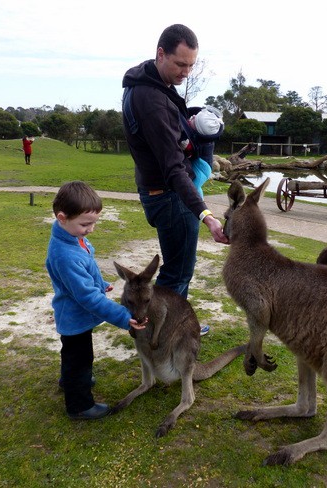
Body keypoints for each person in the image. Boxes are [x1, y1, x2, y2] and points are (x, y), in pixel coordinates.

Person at [122, 24, 228, 336]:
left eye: (191, 65)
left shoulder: (149, 83)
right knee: (178, 271)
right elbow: (173, 169)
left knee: (176, 268)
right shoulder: (151, 99)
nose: (186, 73)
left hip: (160, 193)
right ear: (160, 54)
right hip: (170, 196)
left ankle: (167, 326)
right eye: (180, 64)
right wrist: (206, 215)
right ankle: (159, 332)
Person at [46, 180, 147, 420]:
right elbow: (87, 298)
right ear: (62, 217)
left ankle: (69, 379)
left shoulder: (72, 237)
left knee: (74, 355)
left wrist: (100, 284)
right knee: (80, 357)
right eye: (85, 224)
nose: (90, 229)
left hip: (77, 316)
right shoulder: (65, 254)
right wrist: (124, 316)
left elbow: (85, 273)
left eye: (94, 223)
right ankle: (79, 405)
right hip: (74, 317)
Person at [181, 106, 224, 197]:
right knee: (196, 187)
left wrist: (184, 147)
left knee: (193, 188)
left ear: (197, 130)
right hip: (203, 163)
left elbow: (190, 152)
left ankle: (199, 206)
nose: (192, 116)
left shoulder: (198, 142)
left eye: (193, 121)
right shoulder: (206, 134)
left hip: (203, 167)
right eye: (195, 116)